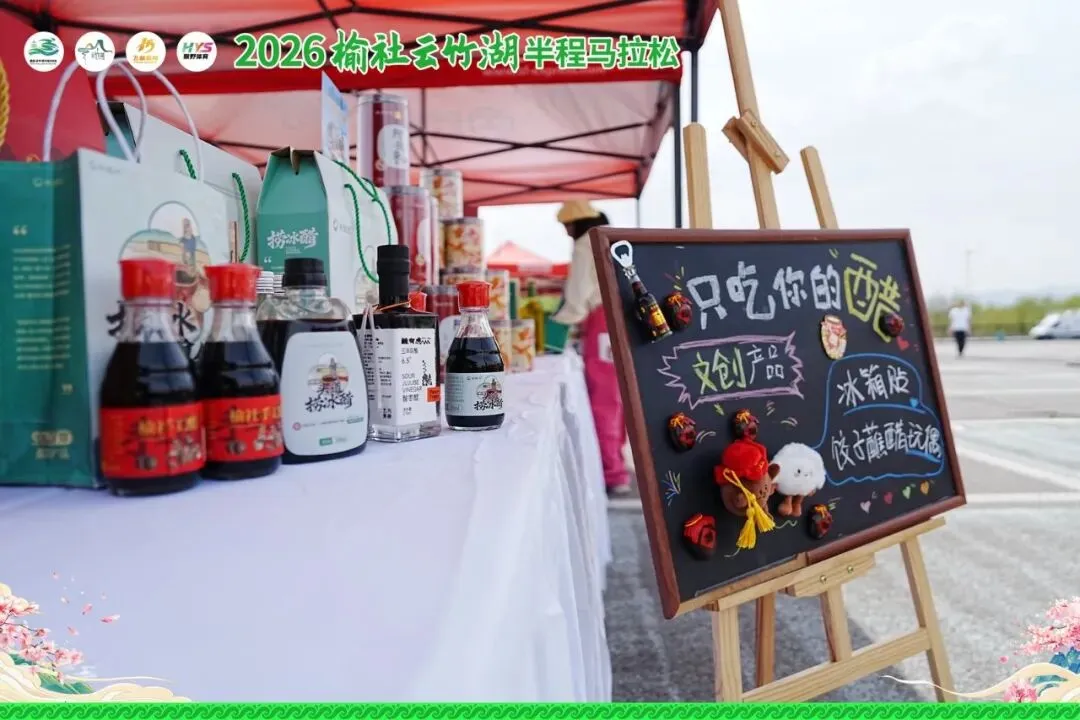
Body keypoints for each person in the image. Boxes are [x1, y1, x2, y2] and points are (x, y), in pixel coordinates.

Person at [552, 200, 632, 497]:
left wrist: (554, 327)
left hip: (602, 323)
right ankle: (617, 466)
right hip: (624, 322)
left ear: (575, 224)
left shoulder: (586, 245)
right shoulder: (613, 240)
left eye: (566, 227)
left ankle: (611, 473)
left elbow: (577, 299)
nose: (566, 233)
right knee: (620, 398)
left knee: (603, 399)